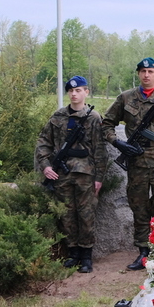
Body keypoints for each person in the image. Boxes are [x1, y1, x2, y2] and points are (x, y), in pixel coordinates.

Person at [103, 58, 154, 270]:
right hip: (137, 163)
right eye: (143, 71)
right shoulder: (125, 98)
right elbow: (107, 124)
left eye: (150, 71)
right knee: (139, 208)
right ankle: (143, 252)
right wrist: (119, 143)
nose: (146, 75)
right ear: (138, 74)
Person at [35, 75, 108, 274]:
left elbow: (100, 150)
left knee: (86, 215)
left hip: (86, 175)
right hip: (61, 175)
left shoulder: (93, 118)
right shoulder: (57, 117)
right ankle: (72, 254)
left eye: (78, 90)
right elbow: (43, 142)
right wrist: (46, 166)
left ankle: (86, 256)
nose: (74, 94)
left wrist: (99, 177)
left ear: (86, 92)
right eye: (71, 91)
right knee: (66, 215)